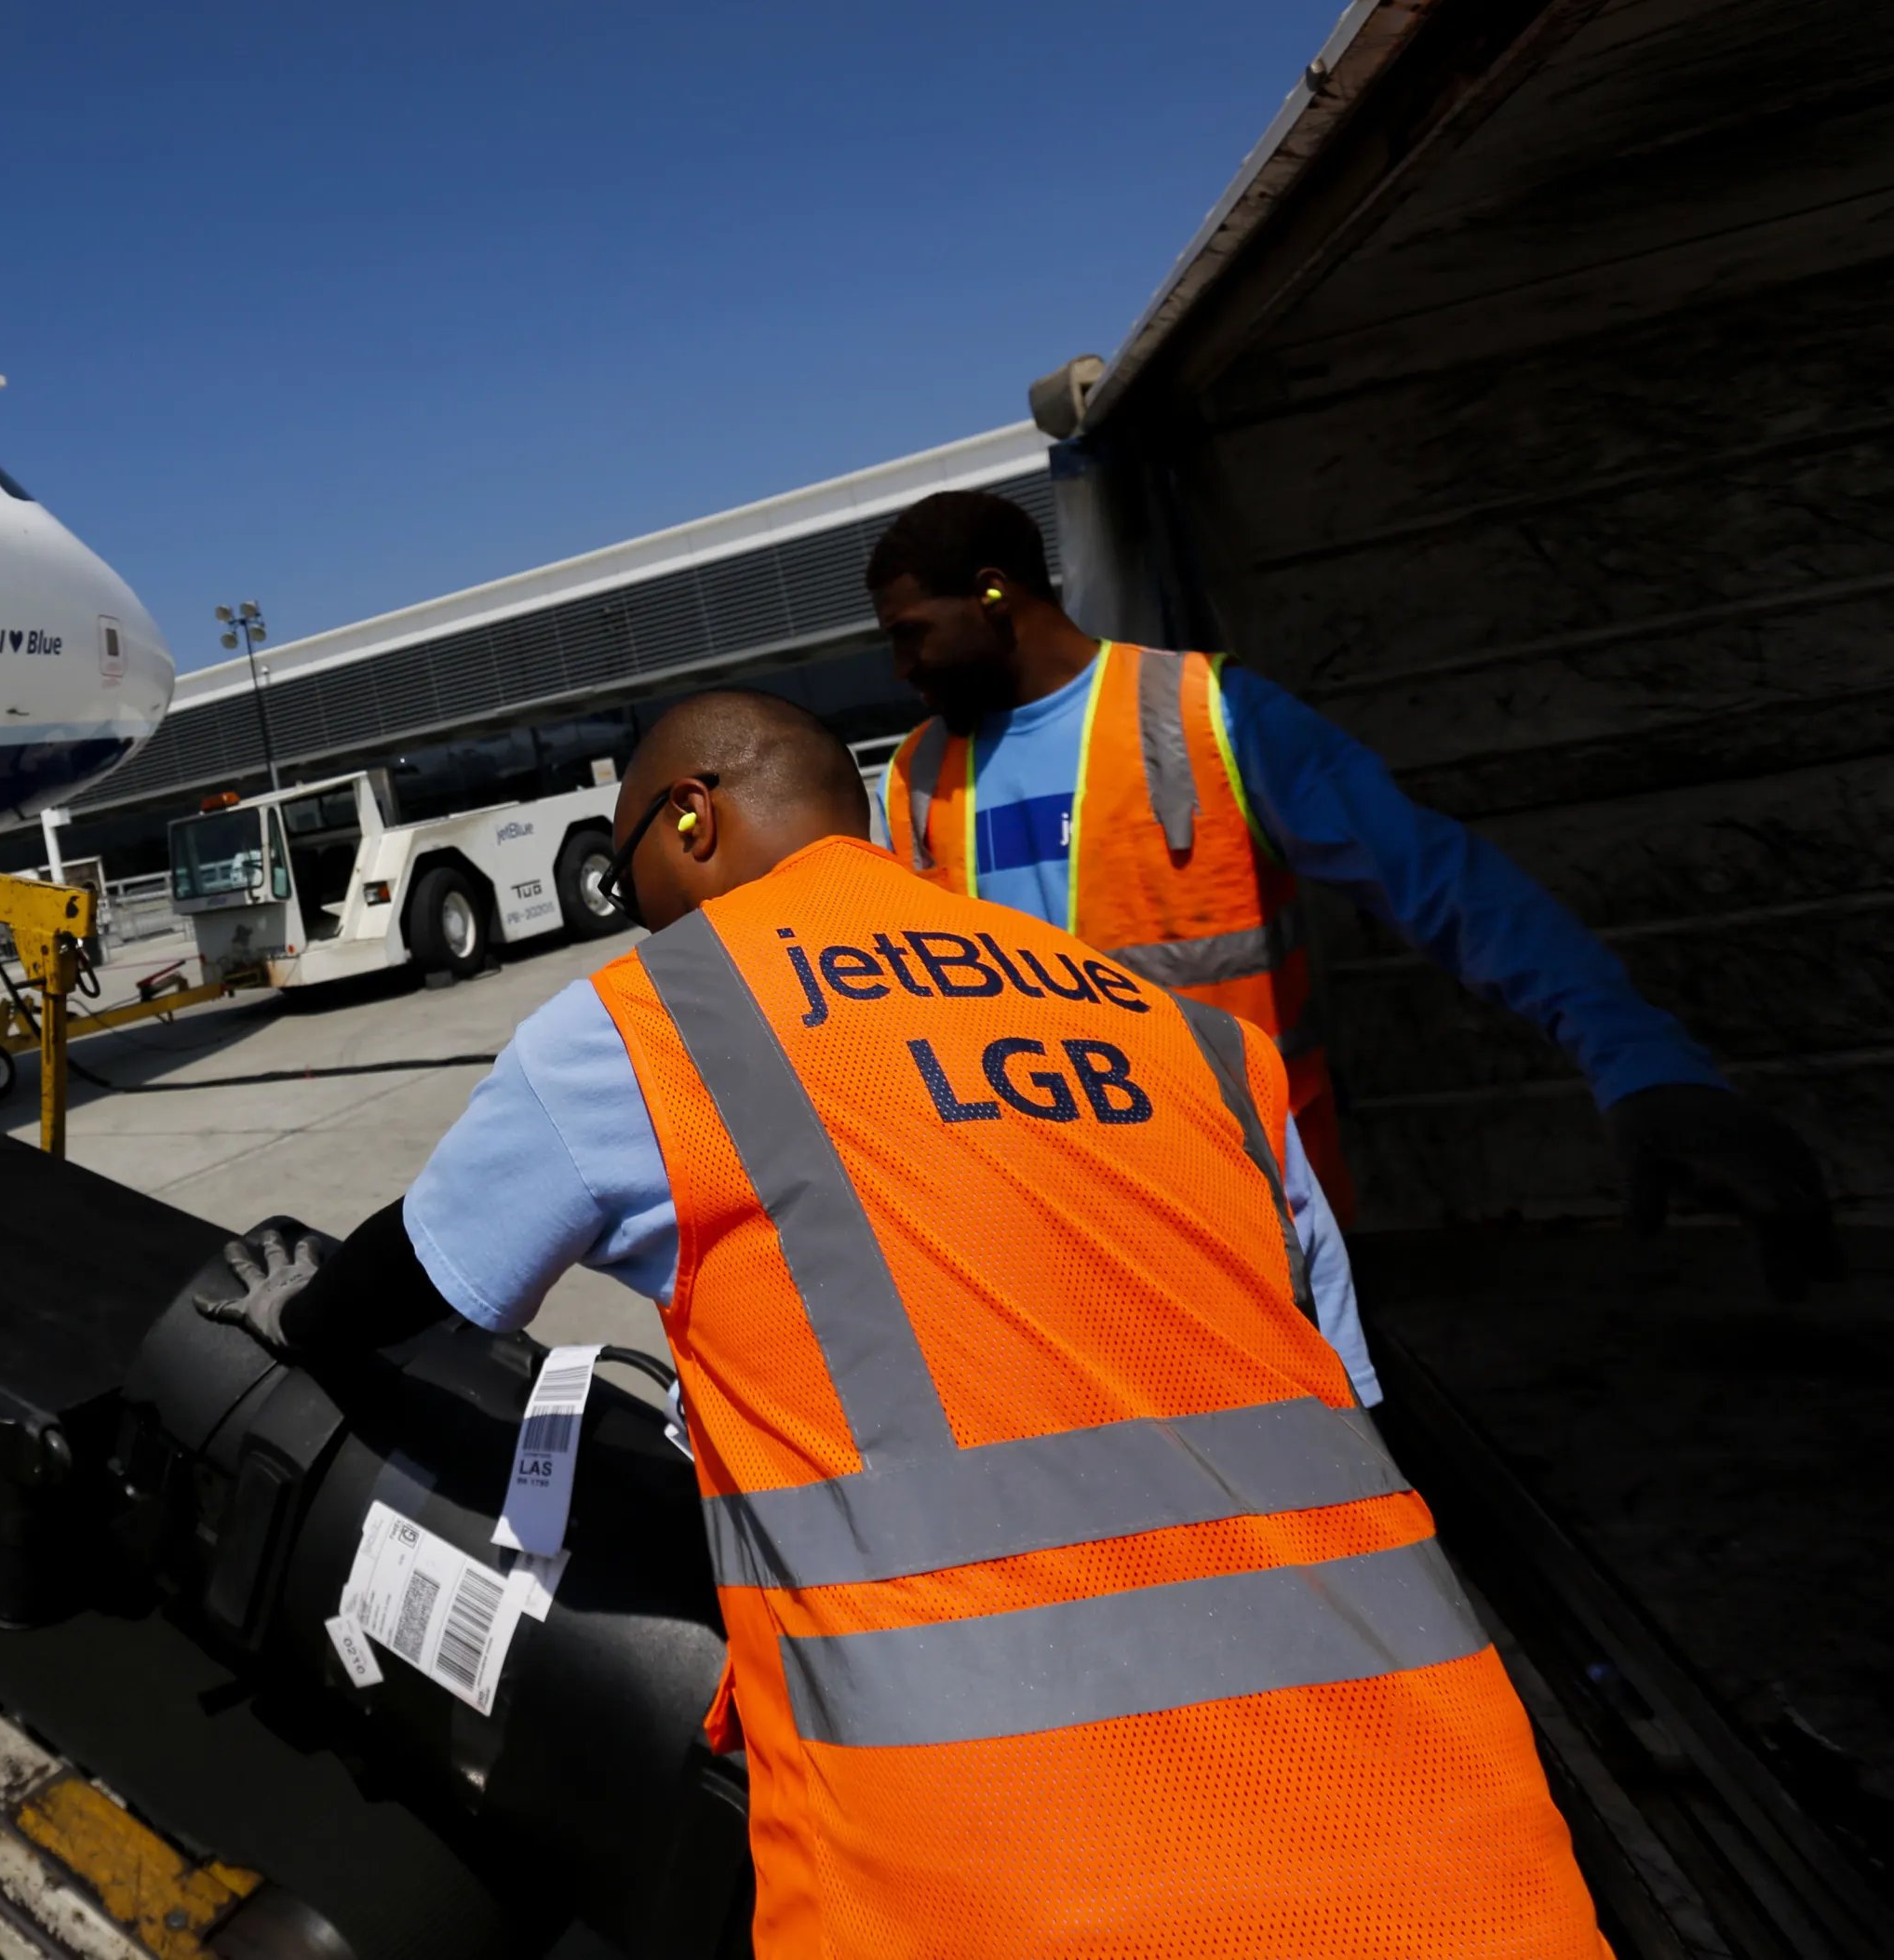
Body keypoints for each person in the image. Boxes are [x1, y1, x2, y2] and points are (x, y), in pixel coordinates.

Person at [200, 691, 1609, 1957]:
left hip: (1001, 1872)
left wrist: (298, 1314)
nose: (634, 913)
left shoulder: (660, 1016)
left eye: (627, 872)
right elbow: (1346, 1404)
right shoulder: (1187, 1033)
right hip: (1464, 1842)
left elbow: (428, 1265)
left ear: (687, 815)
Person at [863, 487, 1832, 1293]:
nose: (902, 669)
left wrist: (1644, 1064)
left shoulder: (1205, 715)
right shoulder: (916, 777)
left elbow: (1447, 886)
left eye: (911, 635)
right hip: (1054, 1246)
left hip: (1254, 1235)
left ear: (993, 593)